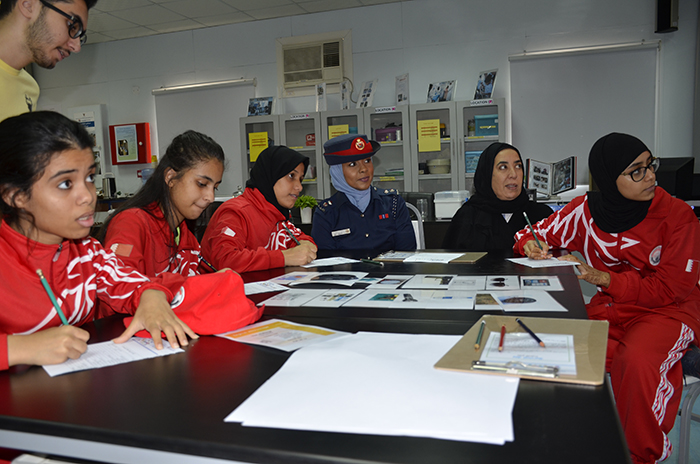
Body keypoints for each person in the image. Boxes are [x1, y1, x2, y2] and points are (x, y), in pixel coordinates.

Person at [514, 133, 700, 464]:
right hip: (613, 308)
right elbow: (532, 232)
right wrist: (530, 244)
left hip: (670, 311)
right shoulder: (585, 211)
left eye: (650, 165)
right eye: (636, 171)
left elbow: (671, 289)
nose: (650, 176)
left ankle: (642, 455)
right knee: (552, 348)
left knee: (637, 361)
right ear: (608, 179)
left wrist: (602, 278)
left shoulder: (678, 215)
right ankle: (564, 443)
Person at [0, 111, 196, 371]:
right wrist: (19, 348)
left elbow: (130, 282)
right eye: (65, 184)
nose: (88, 196)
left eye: (90, 178)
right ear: (16, 196)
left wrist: (151, 296)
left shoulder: (86, 252)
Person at [99, 130, 224, 280]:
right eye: (202, 184)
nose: (211, 197)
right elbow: (119, 284)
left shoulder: (185, 237)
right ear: (171, 178)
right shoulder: (130, 224)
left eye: (215, 187)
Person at [200, 145, 317, 273]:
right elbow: (226, 260)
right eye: (291, 176)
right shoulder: (235, 212)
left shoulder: (277, 213)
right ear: (270, 175)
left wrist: (306, 245)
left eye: (300, 179)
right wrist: (284, 257)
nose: (299, 187)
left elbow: (298, 238)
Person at [311, 133, 416, 253]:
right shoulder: (326, 213)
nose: (364, 169)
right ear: (337, 172)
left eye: (367, 161)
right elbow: (325, 259)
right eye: (352, 164)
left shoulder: (393, 203)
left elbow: (407, 253)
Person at [442, 142, 552, 251]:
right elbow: (451, 259)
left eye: (518, 166)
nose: (513, 174)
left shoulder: (541, 215)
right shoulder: (467, 216)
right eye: (503, 167)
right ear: (488, 174)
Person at [0, 0, 98, 120]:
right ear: (28, 5)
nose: (76, 47)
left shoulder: (30, 89)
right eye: (72, 26)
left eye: (80, 36)